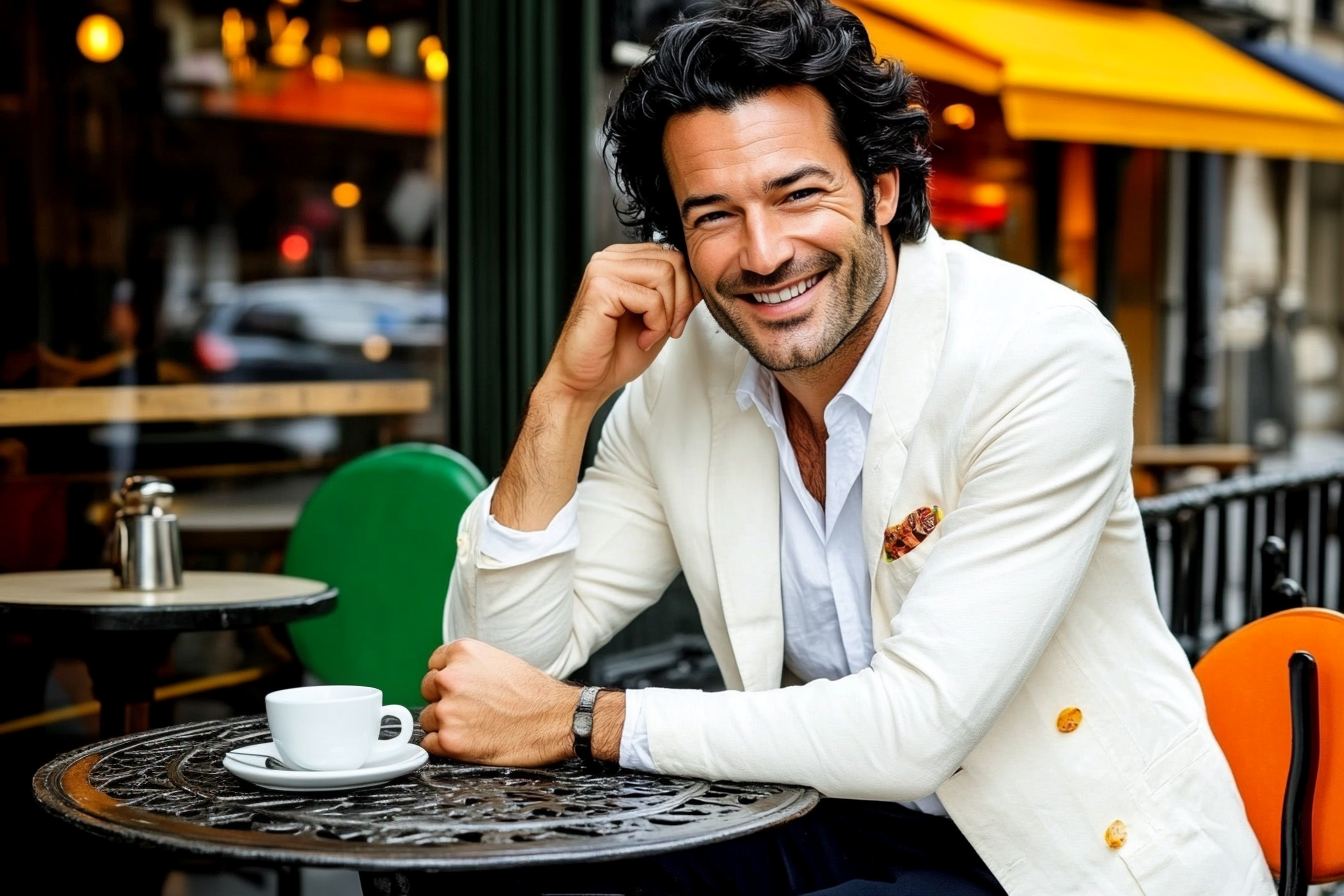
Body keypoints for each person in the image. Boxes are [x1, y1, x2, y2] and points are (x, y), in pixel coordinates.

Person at [419, 2, 1272, 894]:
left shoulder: (1043, 354)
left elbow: (917, 727)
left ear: (883, 188)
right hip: (830, 819)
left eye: (798, 194)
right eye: (714, 215)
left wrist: (588, 719)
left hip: (1069, 857)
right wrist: (565, 397)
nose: (763, 252)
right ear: (675, 240)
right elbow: (498, 677)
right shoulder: (681, 377)